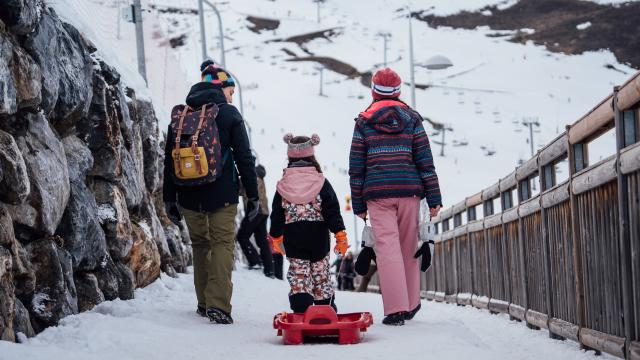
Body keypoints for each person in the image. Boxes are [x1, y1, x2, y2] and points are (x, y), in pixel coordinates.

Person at [163, 60, 259, 324]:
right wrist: (253, 196)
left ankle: (204, 303)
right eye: (230, 90)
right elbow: (244, 159)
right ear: (221, 88)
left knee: (200, 244)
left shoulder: (182, 116)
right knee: (221, 244)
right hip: (222, 193)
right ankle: (218, 305)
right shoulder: (229, 114)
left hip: (188, 194)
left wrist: (169, 198)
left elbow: (168, 160)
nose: (231, 95)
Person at [349, 67, 442, 326]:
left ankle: (396, 309)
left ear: (373, 91)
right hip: (410, 191)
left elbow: (357, 168)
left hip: (378, 194)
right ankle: (412, 304)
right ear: (399, 91)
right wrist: (434, 199)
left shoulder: (364, 122)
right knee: (408, 246)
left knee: (387, 249)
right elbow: (425, 162)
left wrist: (358, 204)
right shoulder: (412, 120)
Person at [269, 133, 348, 313]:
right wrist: (340, 234)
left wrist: (276, 236)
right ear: (312, 155)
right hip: (319, 236)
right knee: (321, 273)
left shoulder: (283, 185)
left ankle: (301, 307)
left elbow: (277, 215)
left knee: (299, 273)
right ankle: (325, 308)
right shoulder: (321, 182)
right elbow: (332, 211)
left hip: (293, 237)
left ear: (289, 156)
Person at [237, 165, 274, 278]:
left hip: (255, 210)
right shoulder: (260, 177)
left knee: (242, 236)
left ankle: (255, 262)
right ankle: (269, 270)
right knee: (262, 241)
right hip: (264, 212)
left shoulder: (253, 177)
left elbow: (247, 192)